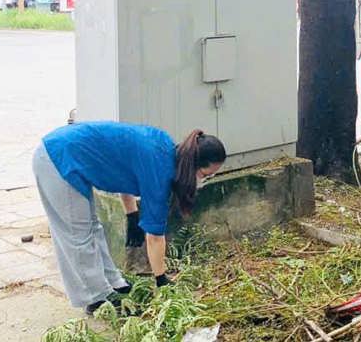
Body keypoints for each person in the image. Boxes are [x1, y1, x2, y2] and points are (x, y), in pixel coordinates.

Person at [32, 122, 226, 314]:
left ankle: (113, 283)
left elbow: (126, 173)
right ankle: (95, 299)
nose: (203, 181)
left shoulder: (166, 149)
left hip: (71, 150)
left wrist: (132, 215)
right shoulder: (160, 172)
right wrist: (161, 279)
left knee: (93, 228)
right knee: (77, 236)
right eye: (205, 174)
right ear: (192, 164)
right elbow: (155, 237)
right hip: (57, 158)